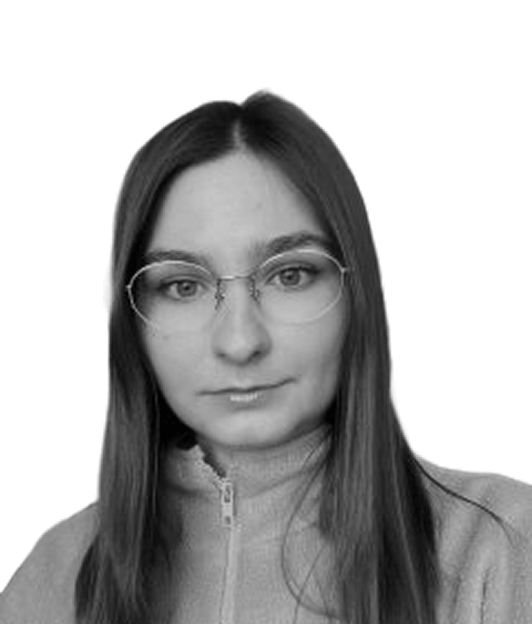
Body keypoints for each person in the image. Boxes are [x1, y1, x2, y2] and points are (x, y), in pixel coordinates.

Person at [1, 90, 531, 624]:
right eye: (183, 286)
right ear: (131, 321)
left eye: (290, 275)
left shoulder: (504, 542)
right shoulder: (54, 574)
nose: (240, 342)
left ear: (357, 296)